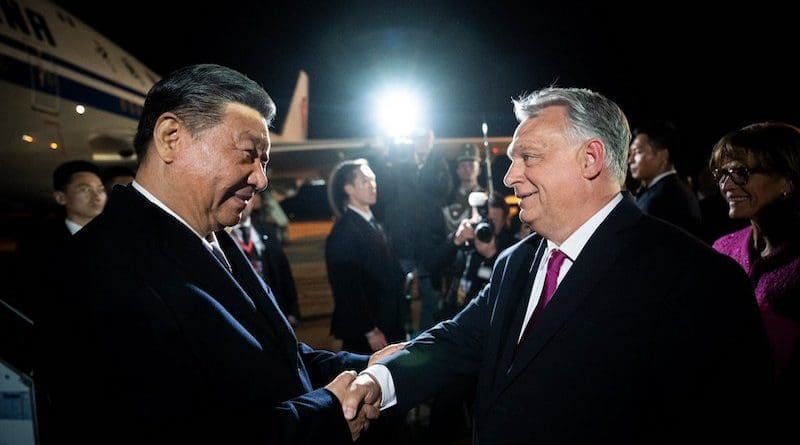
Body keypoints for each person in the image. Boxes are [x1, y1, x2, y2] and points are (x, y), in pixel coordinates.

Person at [343, 87, 773, 444]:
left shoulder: (696, 278)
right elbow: (459, 340)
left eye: (528, 157)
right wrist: (378, 382)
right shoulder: (514, 263)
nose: (510, 177)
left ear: (590, 159)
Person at [34, 64, 400, 445]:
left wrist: (369, 367)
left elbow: (277, 357)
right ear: (171, 137)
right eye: (248, 154)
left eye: (264, 161)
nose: (261, 179)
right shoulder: (93, 273)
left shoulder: (211, 235)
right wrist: (325, 416)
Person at [709, 121, 800, 436]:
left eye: (741, 173)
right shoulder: (722, 248)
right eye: (722, 174)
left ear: (787, 178)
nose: (727, 185)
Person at [325, 159, 406, 354]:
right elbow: (348, 287)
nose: (373, 186)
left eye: (373, 180)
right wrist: (369, 330)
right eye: (365, 181)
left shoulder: (373, 223)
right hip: (368, 332)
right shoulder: (344, 232)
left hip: (388, 321)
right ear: (349, 189)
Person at [13, 160, 107, 319]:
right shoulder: (38, 247)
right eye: (85, 189)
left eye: (100, 189)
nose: (96, 196)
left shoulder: (121, 239)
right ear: (61, 197)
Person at [628, 120, 701, 235]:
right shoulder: (664, 191)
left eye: (637, 152)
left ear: (662, 155)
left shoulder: (665, 197)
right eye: (630, 153)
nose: (630, 160)